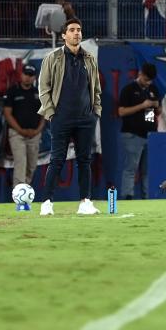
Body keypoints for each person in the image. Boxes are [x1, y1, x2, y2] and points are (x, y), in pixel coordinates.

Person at [37, 18, 102, 215]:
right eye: (72, 30)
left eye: (79, 30)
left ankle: (85, 202)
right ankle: (47, 202)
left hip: (85, 119)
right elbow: (43, 88)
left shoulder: (90, 58)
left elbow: (96, 90)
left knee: (84, 160)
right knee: (57, 159)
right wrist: (51, 114)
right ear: (64, 35)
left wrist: (95, 113)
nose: (77, 33)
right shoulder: (53, 57)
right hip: (61, 118)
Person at [118, 63, 161, 200]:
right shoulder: (129, 89)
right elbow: (121, 111)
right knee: (131, 168)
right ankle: (128, 197)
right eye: (146, 79)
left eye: (150, 80)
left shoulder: (152, 89)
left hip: (149, 134)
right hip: (132, 134)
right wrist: (142, 105)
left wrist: (156, 106)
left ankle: (146, 198)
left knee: (147, 171)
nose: (148, 83)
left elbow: (155, 112)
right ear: (140, 74)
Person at [3, 64, 45, 187]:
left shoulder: (39, 93)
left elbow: (45, 114)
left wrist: (38, 130)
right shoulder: (12, 91)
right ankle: (19, 197)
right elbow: (7, 113)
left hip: (34, 134)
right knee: (20, 163)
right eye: (26, 74)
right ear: (21, 75)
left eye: (30, 75)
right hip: (17, 134)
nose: (27, 77)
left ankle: (25, 191)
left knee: (32, 165)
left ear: (34, 78)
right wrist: (20, 130)